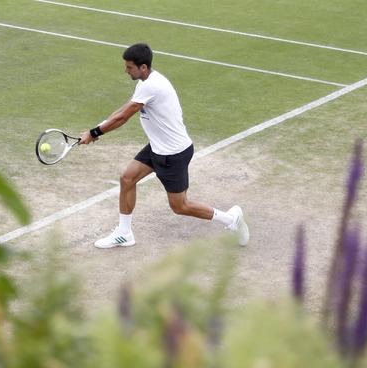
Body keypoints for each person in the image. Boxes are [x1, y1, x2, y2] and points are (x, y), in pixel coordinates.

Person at [80, 43, 249, 249]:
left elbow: (123, 116)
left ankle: (231, 219)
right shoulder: (145, 82)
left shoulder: (151, 86)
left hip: (173, 154)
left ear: (143, 67)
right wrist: (97, 128)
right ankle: (124, 234)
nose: (126, 70)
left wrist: (95, 133)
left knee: (180, 206)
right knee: (127, 178)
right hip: (157, 147)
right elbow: (123, 109)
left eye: (129, 67)